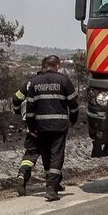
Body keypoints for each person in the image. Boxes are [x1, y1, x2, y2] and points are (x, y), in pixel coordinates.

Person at [22, 55, 79, 201]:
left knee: (46, 155)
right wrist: (73, 119)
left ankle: (52, 183)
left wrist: (31, 127)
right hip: (59, 125)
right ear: (57, 65)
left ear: (44, 66)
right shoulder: (64, 80)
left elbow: (30, 109)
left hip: (41, 126)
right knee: (57, 155)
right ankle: (52, 188)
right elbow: (73, 104)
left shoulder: (34, 82)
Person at [10, 83, 42, 196]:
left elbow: (16, 97)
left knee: (30, 154)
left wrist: (17, 110)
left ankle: (22, 174)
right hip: (49, 124)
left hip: (31, 123)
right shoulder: (56, 81)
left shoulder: (30, 83)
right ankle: (54, 184)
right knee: (52, 154)